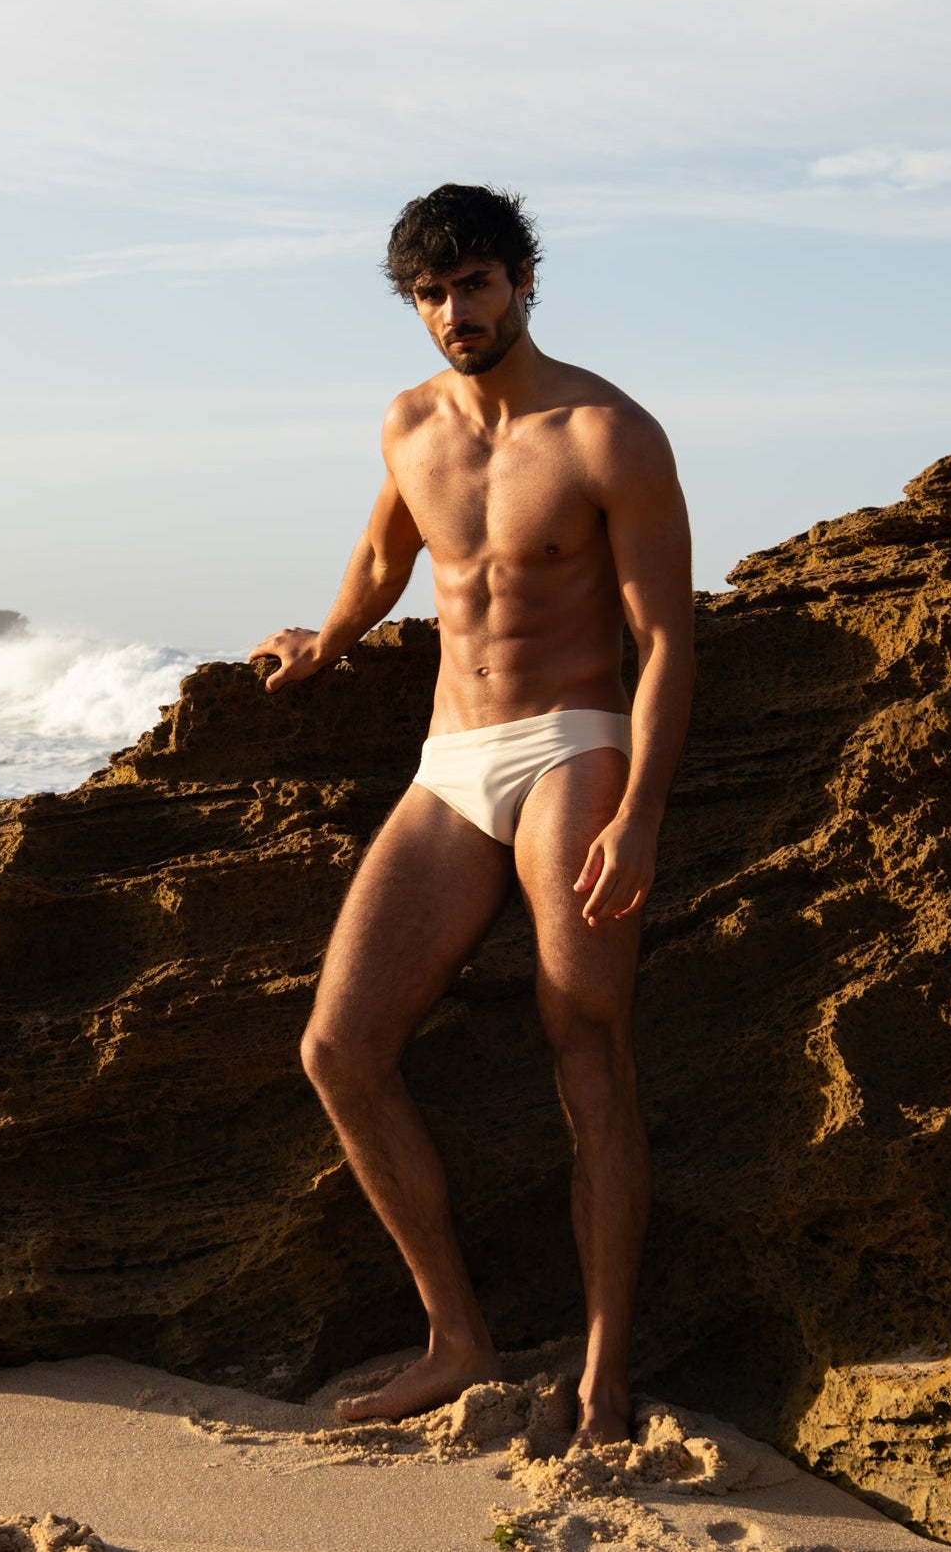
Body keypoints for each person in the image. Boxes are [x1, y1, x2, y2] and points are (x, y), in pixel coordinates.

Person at [249, 183, 694, 1447]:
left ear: (524, 280)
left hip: (572, 747)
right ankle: (457, 1336)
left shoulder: (609, 433)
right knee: (337, 1049)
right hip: (451, 760)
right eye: (432, 294)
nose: (457, 311)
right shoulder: (409, 426)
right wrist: (323, 645)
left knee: (585, 1041)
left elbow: (666, 642)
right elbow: (392, 559)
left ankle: (607, 1369)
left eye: (478, 283)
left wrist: (641, 814)